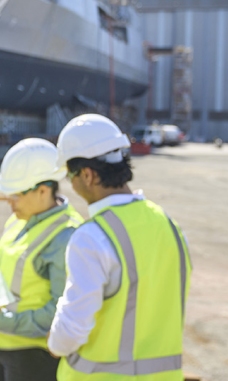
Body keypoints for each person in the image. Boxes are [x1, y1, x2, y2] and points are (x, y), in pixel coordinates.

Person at [47, 114, 192, 381]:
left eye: (70, 175)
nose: (71, 183)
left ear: (88, 175)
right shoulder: (169, 225)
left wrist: (54, 343)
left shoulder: (92, 237)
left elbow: (71, 330)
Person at [0, 138, 84, 381]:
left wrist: (4, 320)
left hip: (33, 358)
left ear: (43, 191)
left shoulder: (67, 235)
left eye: (16, 195)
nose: (9, 202)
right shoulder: (17, 221)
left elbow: (60, 311)